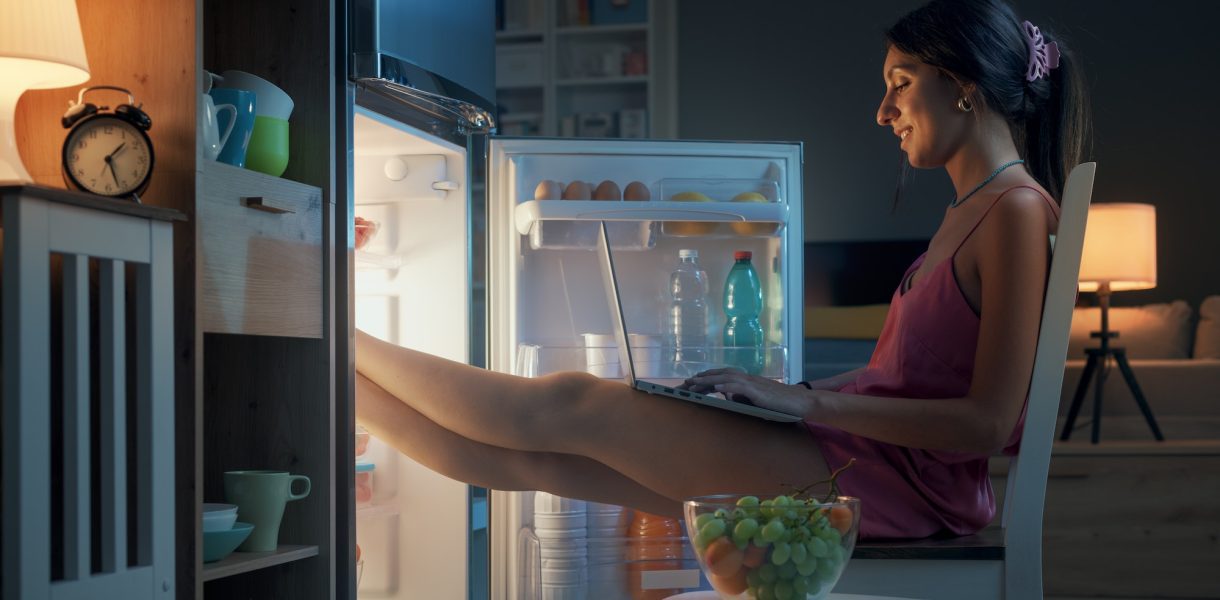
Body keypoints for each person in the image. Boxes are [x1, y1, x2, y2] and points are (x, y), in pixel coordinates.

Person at [355, 0, 1090, 540]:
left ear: (961, 81)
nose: (882, 110)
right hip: (864, 463)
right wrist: (782, 398)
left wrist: (803, 403)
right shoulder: (979, 210)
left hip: (895, 487)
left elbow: (987, 423)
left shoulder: (1018, 212)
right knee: (538, 460)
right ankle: (334, 373)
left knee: (574, 404)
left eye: (900, 82)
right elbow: (913, 388)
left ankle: (339, 334)